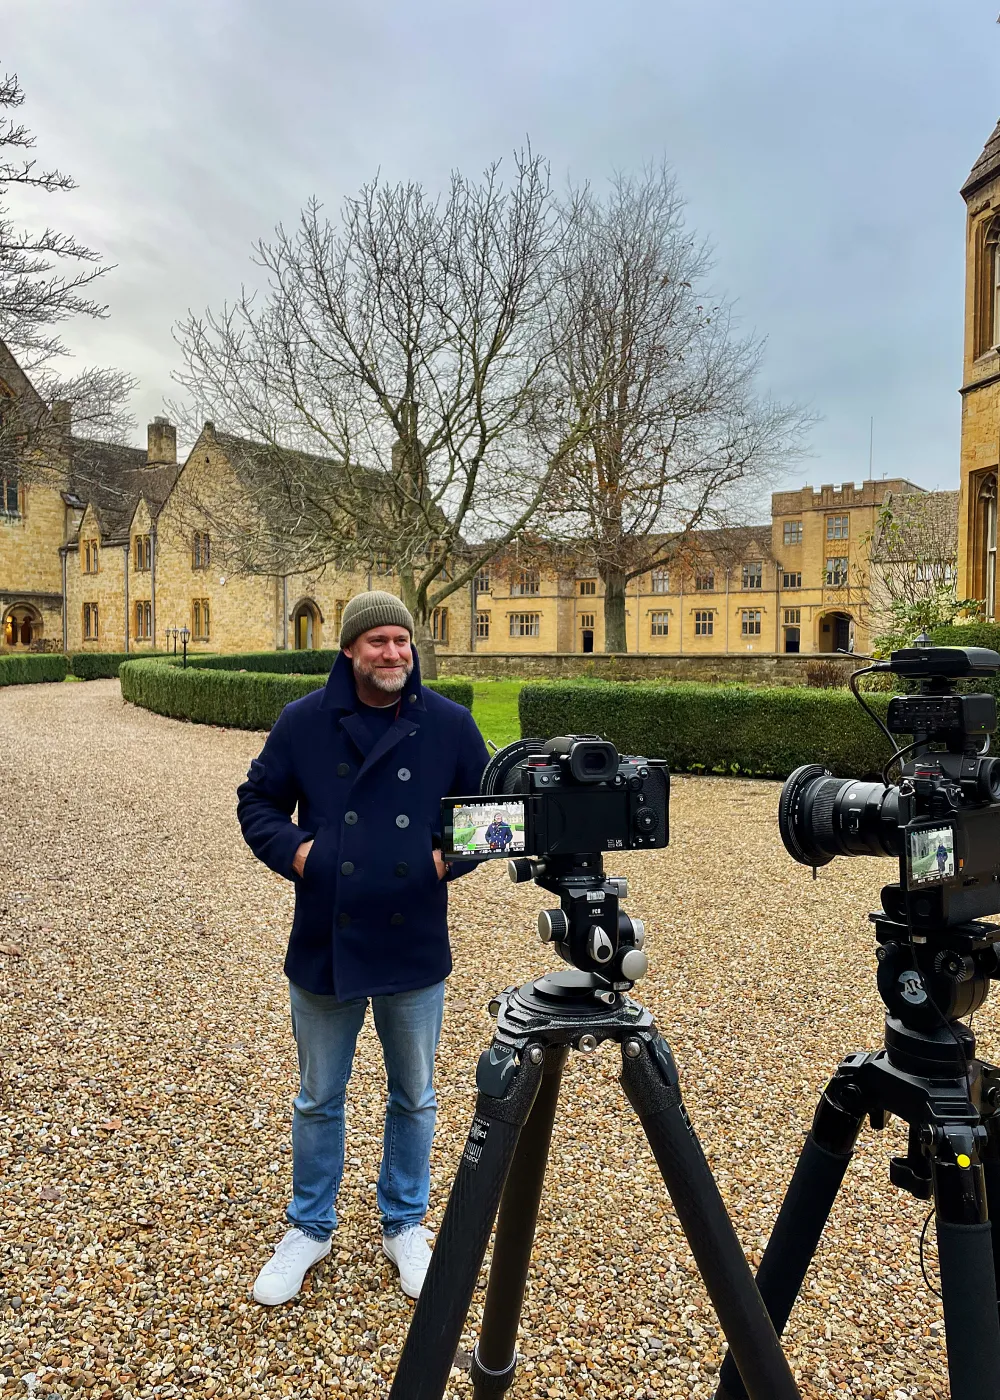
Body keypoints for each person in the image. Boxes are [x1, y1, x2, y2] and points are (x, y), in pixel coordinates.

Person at [237, 591, 489, 1306]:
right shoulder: (304, 722)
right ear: (349, 648)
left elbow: (492, 812)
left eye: (401, 641)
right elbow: (256, 802)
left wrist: (447, 861)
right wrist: (303, 856)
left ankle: (403, 1223)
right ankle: (310, 1226)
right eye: (377, 641)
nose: (393, 654)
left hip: (414, 940)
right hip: (327, 938)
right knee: (319, 1096)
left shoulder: (449, 724)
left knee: (415, 1095)